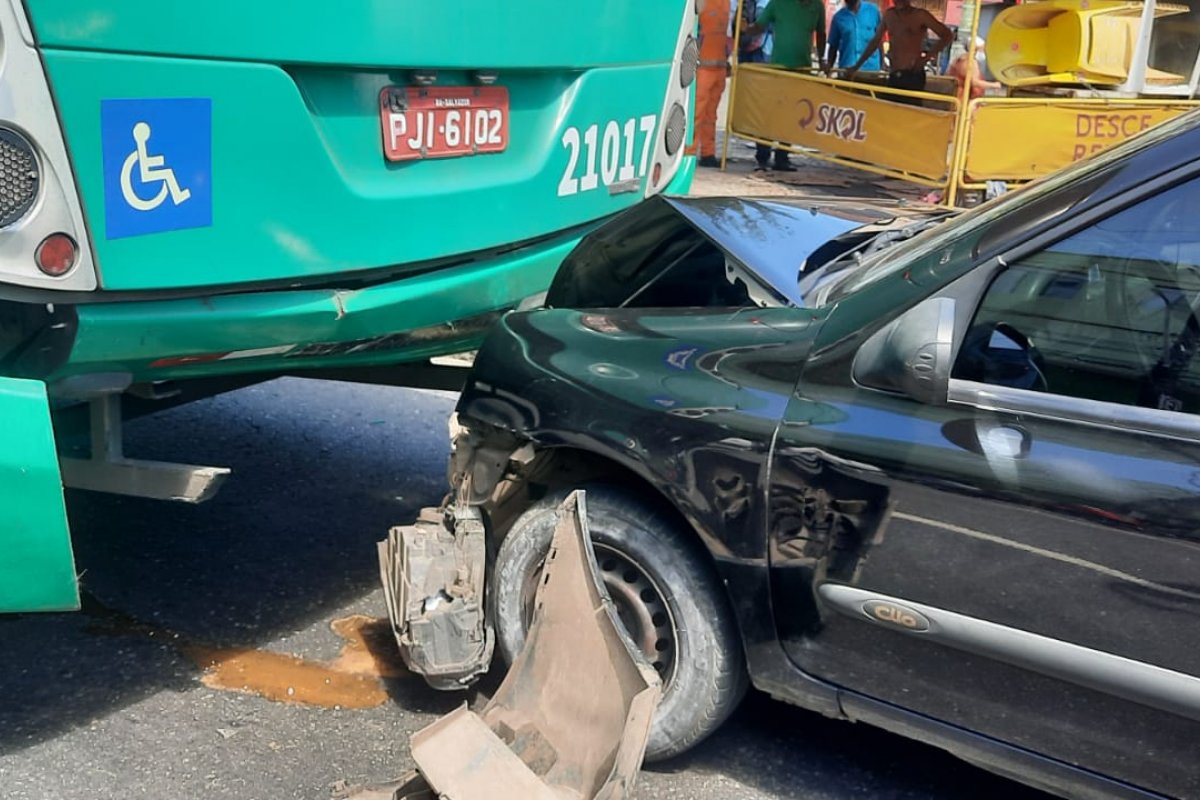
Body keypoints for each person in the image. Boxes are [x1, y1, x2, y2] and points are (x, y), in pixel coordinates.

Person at [742, 0, 827, 171]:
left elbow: (821, 34)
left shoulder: (817, 7)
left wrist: (823, 59)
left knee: (792, 115)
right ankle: (763, 156)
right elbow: (760, 26)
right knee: (770, 114)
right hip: (778, 69)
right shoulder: (778, 3)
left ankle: (782, 156)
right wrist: (745, 28)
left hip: (802, 69)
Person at [846, 0, 952, 105]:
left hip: (913, 75)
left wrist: (925, 59)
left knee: (910, 112)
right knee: (891, 111)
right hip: (894, 74)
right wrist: (856, 66)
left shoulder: (920, 15)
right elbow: (875, 41)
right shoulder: (889, 15)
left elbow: (947, 35)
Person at [692, 0, 731, 167]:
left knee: (710, 115)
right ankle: (689, 151)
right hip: (703, 67)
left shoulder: (728, 4)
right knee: (697, 113)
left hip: (718, 67)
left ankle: (708, 153)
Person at [826, 0, 881, 75]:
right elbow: (833, 47)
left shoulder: (873, 11)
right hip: (847, 73)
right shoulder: (838, 18)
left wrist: (883, 67)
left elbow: (879, 40)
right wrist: (829, 68)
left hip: (871, 72)